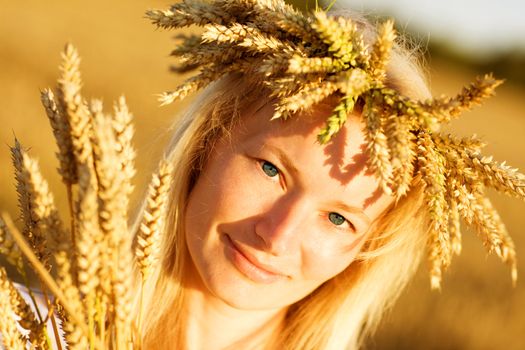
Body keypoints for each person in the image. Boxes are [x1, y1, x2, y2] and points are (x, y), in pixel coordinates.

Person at [133, 3, 515, 349]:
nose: (277, 237)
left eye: (338, 218)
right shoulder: (75, 323)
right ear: (207, 142)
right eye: (271, 170)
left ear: (365, 252)